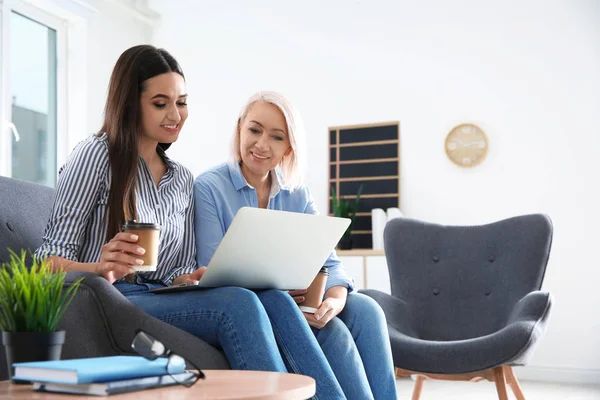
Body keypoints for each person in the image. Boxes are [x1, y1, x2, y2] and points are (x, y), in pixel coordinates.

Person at [35, 46, 347, 399]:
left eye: (181, 102)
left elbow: (177, 272)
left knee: (274, 298)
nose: (175, 115)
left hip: (160, 296)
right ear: (130, 103)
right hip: (114, 299)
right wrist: (99, 266)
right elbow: (46, 263)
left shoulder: (181, 178)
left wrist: (190, 278)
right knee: (240, 304)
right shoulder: (96, 155)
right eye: (160, 103)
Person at [194, 90, 398, 400]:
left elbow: (330, 261)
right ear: (239, 129)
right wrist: (284, 291)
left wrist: (336, 297)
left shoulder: (296, 193)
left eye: (277, 137)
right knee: (332, 333)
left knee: (367, 309)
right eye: (254, 130)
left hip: (299, 300)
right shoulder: (209, 187)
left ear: (289, 147)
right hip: (258, 306)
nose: (262, 144)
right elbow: (212, 271)